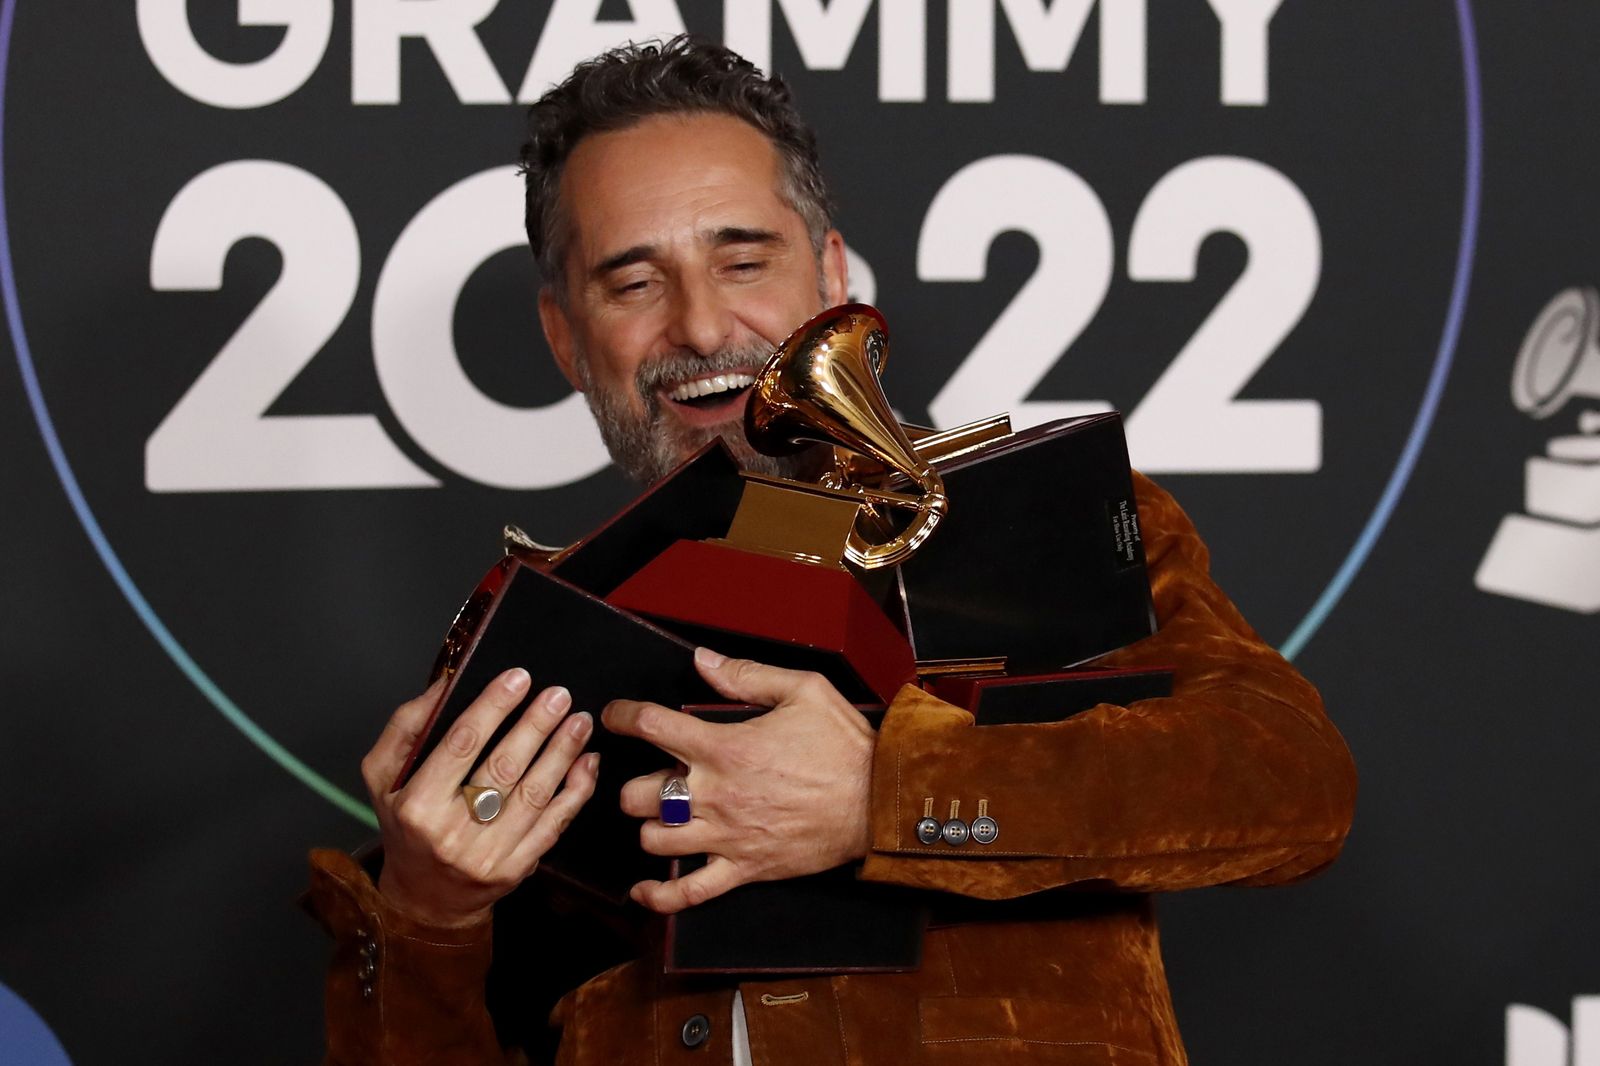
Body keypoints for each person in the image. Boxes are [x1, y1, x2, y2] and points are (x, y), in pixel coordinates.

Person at [306, 35, 1357, 1066]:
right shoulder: (533, 644)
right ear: (565, 336)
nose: (701, 323)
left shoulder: (1048, 519)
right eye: (632, 284)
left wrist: (887, 797)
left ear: (831, 273)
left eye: (742, 258)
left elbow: (1292, 785)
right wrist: (424, 920)